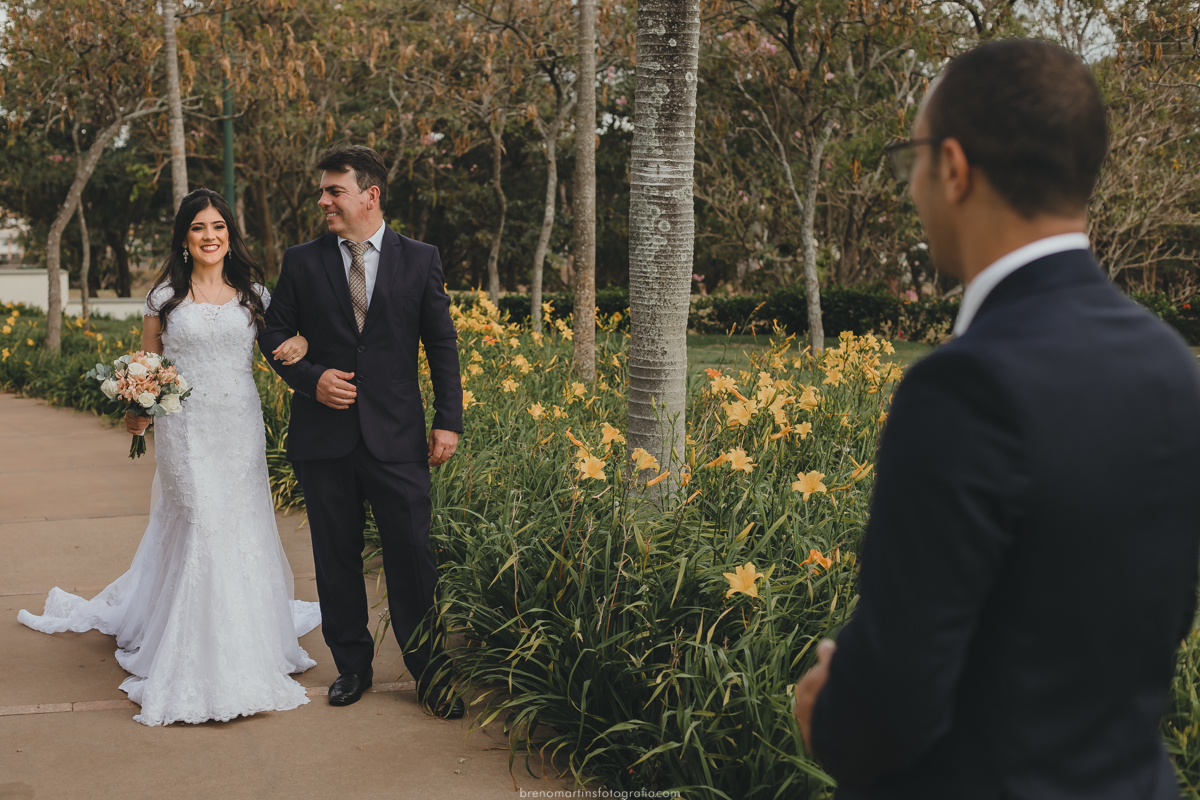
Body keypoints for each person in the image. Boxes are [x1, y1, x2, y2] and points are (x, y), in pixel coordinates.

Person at [792, 39, 1200, 798]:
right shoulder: (1171, 365)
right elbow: (1157, 621)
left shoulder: (964, 386)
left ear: (953, 167)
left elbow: (891, 705)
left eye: (912, 156)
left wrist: (832, 702)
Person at [19, 188, 321, 726]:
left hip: (240, 427)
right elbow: (147, 364)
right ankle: (192, 652)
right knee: (201, 522)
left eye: (219, 227)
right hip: (185, 429)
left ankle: (245, 639)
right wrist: (136, 408)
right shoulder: (164, 298)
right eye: (199, 227)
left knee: (240, 526)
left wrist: (299, 344)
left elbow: (284, 346)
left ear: (231, 235)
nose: (210, 236)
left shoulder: (253, 293)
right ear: (184, 237)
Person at [258, 145, 465, 718]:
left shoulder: (420, 258)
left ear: (369, 196)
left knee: (412, 557)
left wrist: (449, 419)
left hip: (397, 438)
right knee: (335, 557)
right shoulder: (302, 260)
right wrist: (310, 378)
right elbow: (273, 336)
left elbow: (441, 343)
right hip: (323, 440)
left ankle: (431, 673)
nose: (323, 200)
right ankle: (352, 667)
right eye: (323, 191)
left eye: (334, 191)